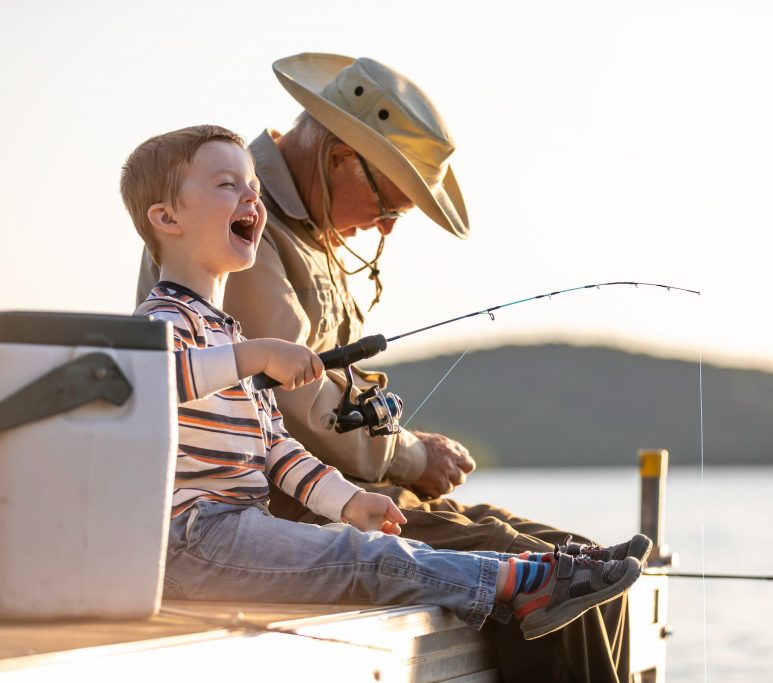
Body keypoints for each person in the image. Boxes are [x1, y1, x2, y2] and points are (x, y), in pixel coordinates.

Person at [137, 55, 650, 681]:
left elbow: (275, 434)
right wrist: (408, 457)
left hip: (329, 492)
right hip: (259, 522)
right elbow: (268, 403)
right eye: (390, 204)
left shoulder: (263, 235)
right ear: (339, 158)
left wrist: (358, 494)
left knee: (575, 562)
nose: (383, 225)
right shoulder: (226, 248)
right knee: (533, 571)